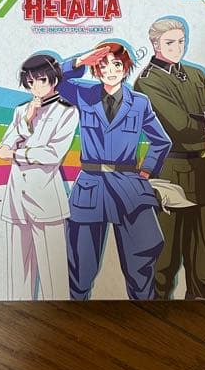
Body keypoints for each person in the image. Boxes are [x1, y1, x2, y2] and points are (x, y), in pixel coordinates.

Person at [133, 18, 205, 299]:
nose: (177, 48)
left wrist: (204, 120)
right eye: (170, 42)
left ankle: (202, 308)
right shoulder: (147, 82)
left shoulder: (196, 74)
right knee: (164, 257)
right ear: (155, 44)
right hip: (170, 172)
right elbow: (181, 126)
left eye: (181, 41)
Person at [59, 42, 171, 300]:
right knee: (80, 266)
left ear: (125, 67)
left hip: (129, 187)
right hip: (90, 187)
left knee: (140, 266)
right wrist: (79, 61)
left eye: (117, 64)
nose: (110, 70)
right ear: (95, 69)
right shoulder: (84, 94)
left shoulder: (139, 103)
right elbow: (58, 82)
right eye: (103, 65)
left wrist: (146, 171)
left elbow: (161, 141)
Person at [0, 54, 78, 299]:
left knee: (54, 278)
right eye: (31, 82)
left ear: (54, 80)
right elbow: (1, 149)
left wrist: (17, 153)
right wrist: (27, 120)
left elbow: (52, 154)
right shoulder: (21, 110)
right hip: (16, 200)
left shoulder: (67, 111)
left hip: (46, 201)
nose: (36, 87)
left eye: (41, 80)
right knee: (17, 277)